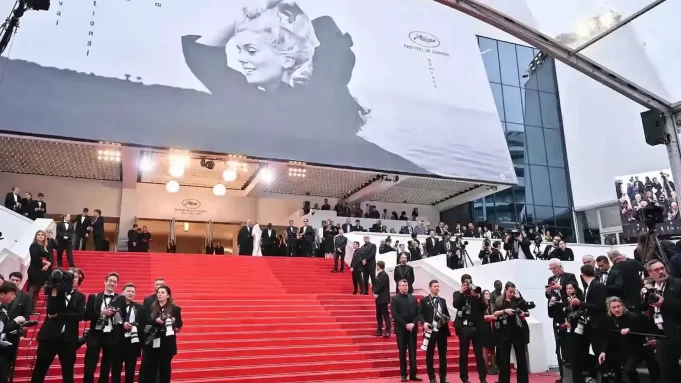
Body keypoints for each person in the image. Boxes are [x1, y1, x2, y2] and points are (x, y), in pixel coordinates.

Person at [30, 268, 86, 383]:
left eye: (75, 277)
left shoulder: (80, 297)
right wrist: (56, 289)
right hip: (49, 336)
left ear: (79, 280)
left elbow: (80, 315)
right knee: (40, 369)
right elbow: (51, 311)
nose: (72, 279)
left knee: (68, 372)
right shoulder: (54, 290)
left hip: (68, 339)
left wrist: (59, 315)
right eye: (69, 276)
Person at [641, 260, 681, 383]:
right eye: (657, 270)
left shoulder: (678, 284)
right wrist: (644, 297)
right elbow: (643, 307)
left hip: (678, 332)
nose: (661, 272)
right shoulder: (651, 287)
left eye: (662, 268)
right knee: (666, 372)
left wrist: (665, 303)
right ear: (649, 273)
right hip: (661, 335)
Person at [139, 286, 183, 383]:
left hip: (166, 342)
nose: (159, 294)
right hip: (152, 341)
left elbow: (179, 325)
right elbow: (145, 321)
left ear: (168, 295)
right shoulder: (151, 307)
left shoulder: (175, 309)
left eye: (162, 292)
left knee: (165, 368)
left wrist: (174, 322)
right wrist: (155, 321)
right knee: (151, 368)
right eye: (158, 292)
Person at [83, 272, 120, 383]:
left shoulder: (120, 299)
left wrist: (116, 315)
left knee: (107, 366)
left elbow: (122, 318)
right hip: (95, 334)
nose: (112, 283)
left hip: (111, 336)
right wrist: (101, 312)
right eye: (110, 280)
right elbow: (85, 316)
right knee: (90, 365)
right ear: (105, 282)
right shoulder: (94, 297)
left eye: (114, 282)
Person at [493, 282, 531, 383]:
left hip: (518, 329)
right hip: (504, 330)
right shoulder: (499, 300)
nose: (512, 294)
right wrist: (505, 311)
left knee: (521, 357)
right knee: (504, 358)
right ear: (505, 290)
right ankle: (503, 380)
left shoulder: (518, 299)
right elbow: (495, 314)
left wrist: (522, 310)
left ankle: (523, 380)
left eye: (513, 292)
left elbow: (527, 311)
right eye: (510, 291)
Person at [453, 274, 488, 383]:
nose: (469, 285)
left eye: (470, 282)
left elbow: (484, 307)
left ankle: (482, 378)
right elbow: (455, 304)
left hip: (476, 328)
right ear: (462, 283)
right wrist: (462, 292)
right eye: (466, 283)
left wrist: (477, 297)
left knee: (479, 354)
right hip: (463, 328)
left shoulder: (477, 294)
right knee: (463, 355)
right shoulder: (458, 294)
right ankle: (464, 378)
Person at [419, 280, 451, 383]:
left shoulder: (443, 301)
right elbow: (420, 314)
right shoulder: (424, 300)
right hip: (430, 330)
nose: (437, 288)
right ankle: (432, 377)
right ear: (430, 288)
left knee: (443, 355)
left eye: (438, 286)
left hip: (442, 331)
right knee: (430, 355)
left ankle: (443, 377)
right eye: (435, 286)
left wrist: (445, 319)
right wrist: (423, 323)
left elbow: (447, 314)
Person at [111, 283, 143, 383]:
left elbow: (142, 324)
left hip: (132, 342)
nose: (130, 293)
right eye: (128, 291)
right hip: (117, 342)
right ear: (123, 292)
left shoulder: (139, 307)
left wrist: (134, 326)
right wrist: (122, 325)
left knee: (130, 370)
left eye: (133, 291)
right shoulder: (115, 305)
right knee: (116, 369)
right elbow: (112, 322)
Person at [391, 280, 422, 382]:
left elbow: (419, 313)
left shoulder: (413, 298)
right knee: (402, 353)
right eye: (403, 285)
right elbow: (395, 315)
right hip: (401, 330)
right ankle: (403, 375)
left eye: (406, 285)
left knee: (413, 353)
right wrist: (405, 325)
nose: (405, 287)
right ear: (398, 287)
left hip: (412, 329)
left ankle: (413, 374)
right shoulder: (394, 299)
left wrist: (413, 323)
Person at [0, 281, 23, 383]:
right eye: (12, 294)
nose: (14, 297)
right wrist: (15, 321)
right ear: (2, 294)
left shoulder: (4, 309)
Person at [27, 230, 52, 309]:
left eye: (42, 235)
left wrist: (48, 264)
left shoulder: (45, 247)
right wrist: (46, 263)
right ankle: (27, 309)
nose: (40, 236)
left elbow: (50, 258)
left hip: (42, 271)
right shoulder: (33, 246)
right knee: (32, 291)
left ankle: (32, 309)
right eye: (38, 235)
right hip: (35, 270)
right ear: (36, 236)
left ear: (45, 237)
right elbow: (35, 257)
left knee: (37, 292)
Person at [373, 261, 390, 337]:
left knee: (385, 314)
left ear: (379, 266)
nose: (376, 267)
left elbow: (380, 285)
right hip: (379, 298)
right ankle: (379, 329)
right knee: (378, 314)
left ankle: (388, 329)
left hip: (383, 298)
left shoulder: (384, 275)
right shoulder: (379, 275)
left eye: (377, 266)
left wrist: (375, 292)